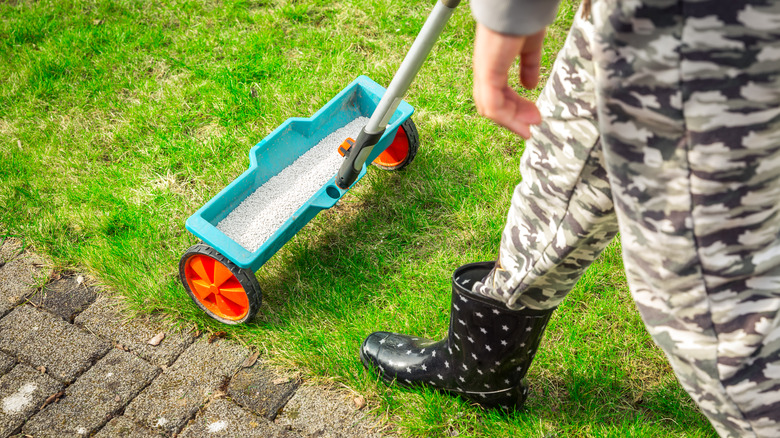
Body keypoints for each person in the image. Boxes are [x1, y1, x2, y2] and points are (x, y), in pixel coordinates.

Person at [359, 0, 780, 436]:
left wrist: (507, 15)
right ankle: (479, 368)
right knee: (564, 157)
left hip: (711, 28)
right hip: (636, 18)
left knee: (708, 288)